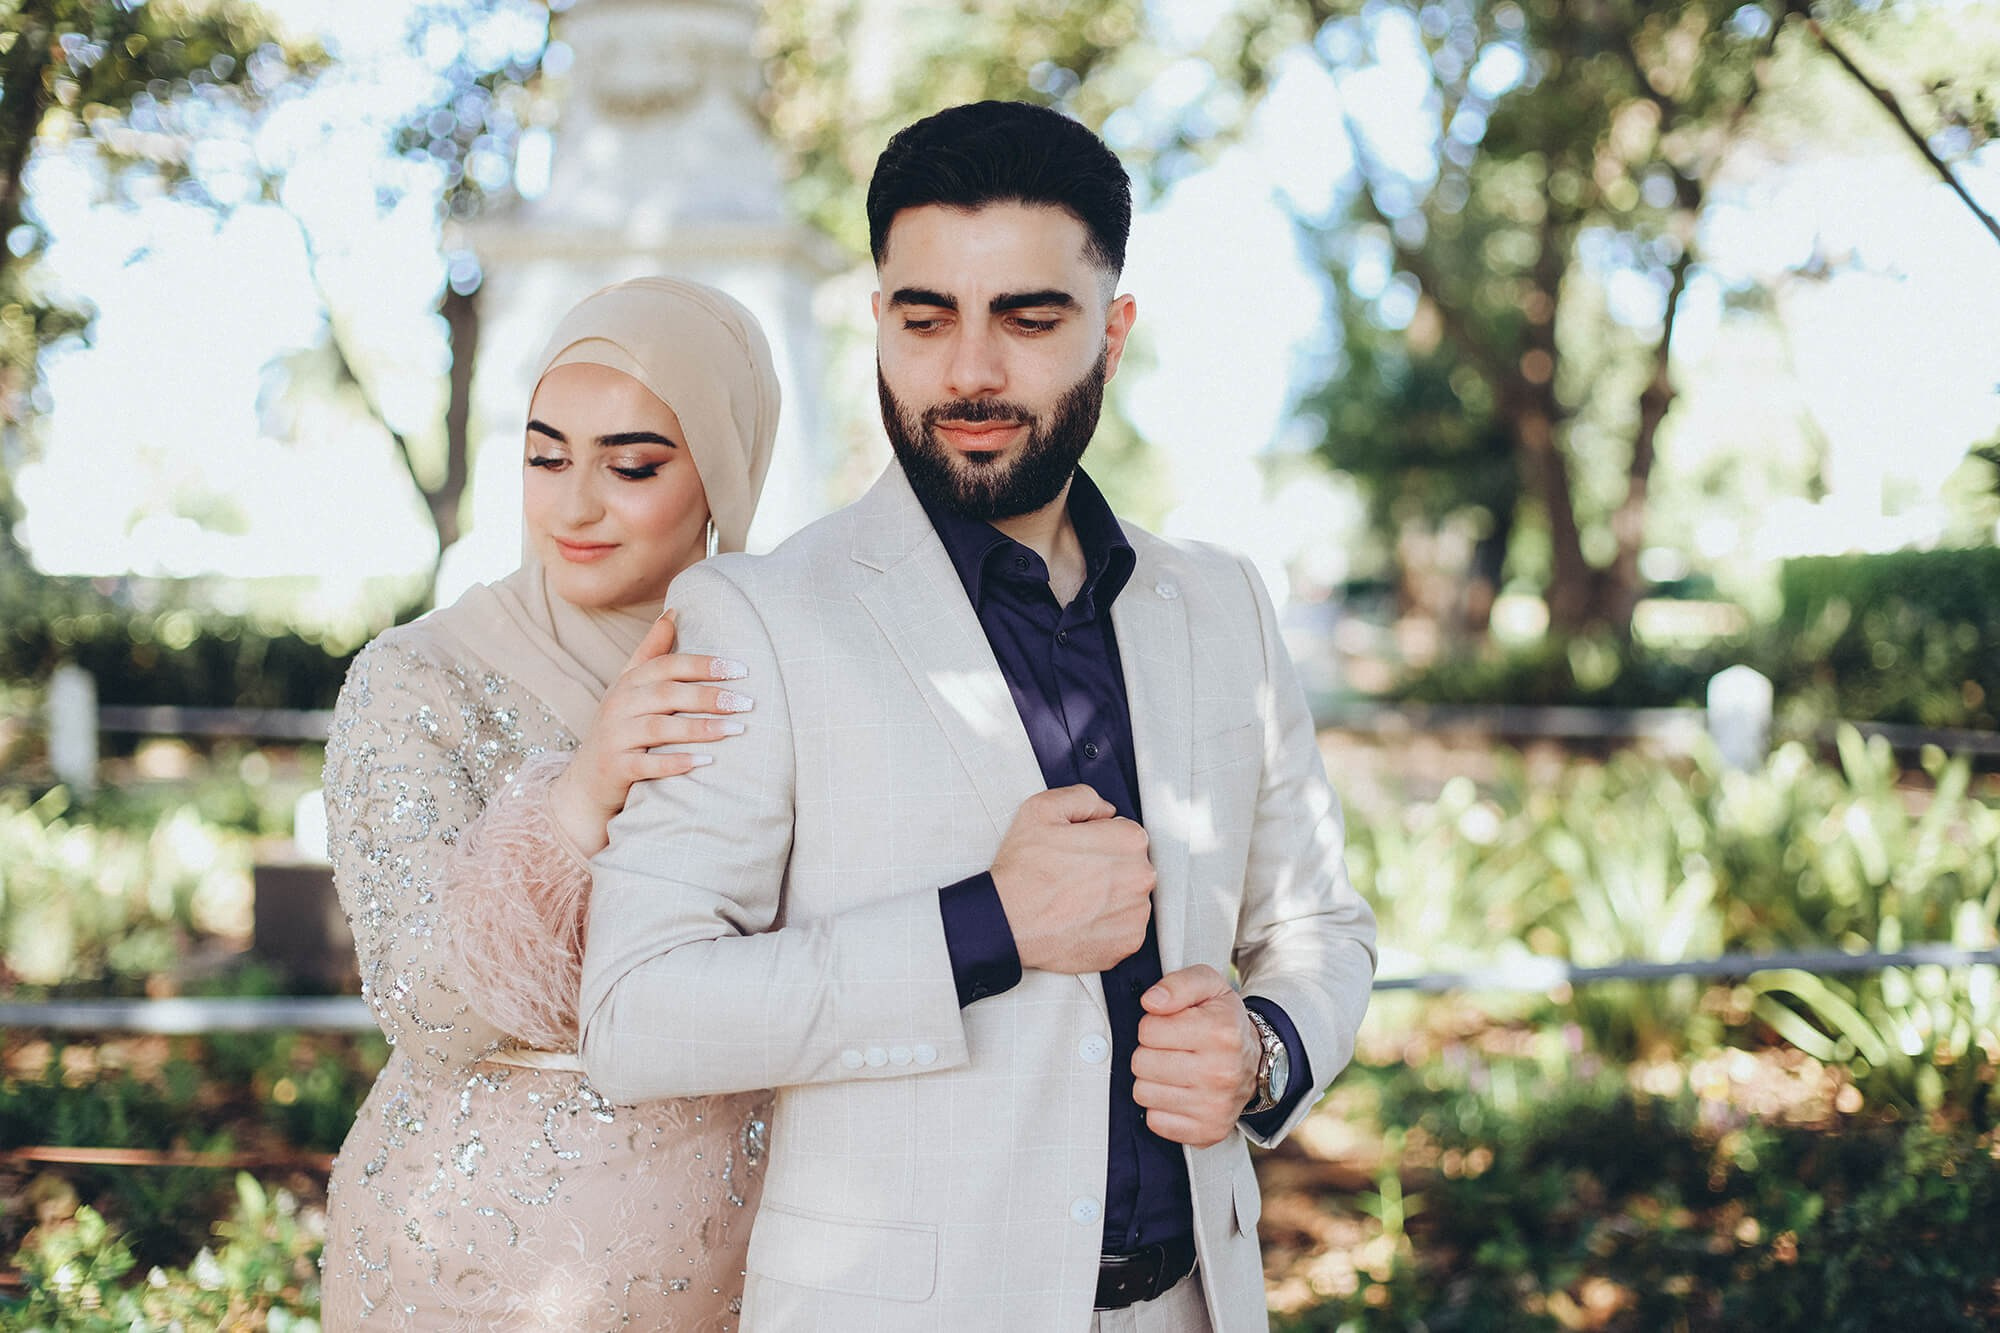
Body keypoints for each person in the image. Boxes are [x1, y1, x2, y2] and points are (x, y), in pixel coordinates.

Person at [579, 103, 1377, 1333]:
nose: (967, 371)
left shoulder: (1222, 603)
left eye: (1026, 316)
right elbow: (639, 1011)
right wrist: (985, 925)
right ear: (880, 320)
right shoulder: (759, 616)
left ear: (1111, 330)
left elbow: (1317, 921)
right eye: (925, 316)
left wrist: (1263, 1050)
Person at [319, 276, 781, 1329]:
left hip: (750, 1256)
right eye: (544, 456)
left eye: (630, 465)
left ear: (722, 469)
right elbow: (425, 1002)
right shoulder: (418, 678)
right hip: (469, 1260)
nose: (573, 505)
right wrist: (582, 791)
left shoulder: (781, 671)